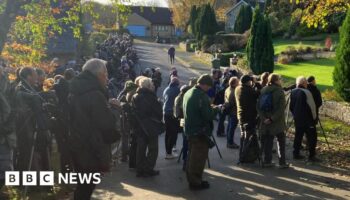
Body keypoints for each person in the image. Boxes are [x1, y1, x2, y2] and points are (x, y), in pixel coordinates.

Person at [69, 59, 120, 200]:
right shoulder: (95, 94)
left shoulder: (75, 88)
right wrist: (115, 108)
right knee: (87, 186)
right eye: (106, 74)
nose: (107, 78)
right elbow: (106, 123)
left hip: (76, 142)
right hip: (91, 147)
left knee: (83, 185)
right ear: (98, 75)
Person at [183, 74, 219, 190]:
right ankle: (195, 182)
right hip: (199, 132)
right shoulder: (201, 96)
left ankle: (193, 179)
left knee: (191, 156)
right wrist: (216, 109)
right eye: (208, 86)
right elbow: (207, 115)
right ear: (203, 84)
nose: (209, 89)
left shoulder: (189, 92)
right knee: (198, 158)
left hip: (190, 129)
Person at [15, 67, 50, 172]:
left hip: (31, 125)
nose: (37, 77)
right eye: (34, 75)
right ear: (28, 76)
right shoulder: (22, 87)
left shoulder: (30, 86)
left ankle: (36, 182)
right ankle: (28, 183)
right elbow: (26, 100)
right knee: (27, 154)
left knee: (34, 154)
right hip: (27, 126)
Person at [131, 77, 163, 177]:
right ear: (149, 86)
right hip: (151, 126)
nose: (153, 86)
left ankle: (139, 169)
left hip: (139, 126)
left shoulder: (135, 96)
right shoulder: (151, 97)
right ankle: (148, 168)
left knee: (141, 148)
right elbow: (158, 113)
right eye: (152, 85)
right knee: (153, 149)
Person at [257, 73, 289, 168]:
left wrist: (264, 119)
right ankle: (282, 162)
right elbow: (281, 108)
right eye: (279, 79)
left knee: (268, 141)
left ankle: (268, 161)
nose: (280, 81)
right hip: (277, 121)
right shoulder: (279, 91)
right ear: (276, 80)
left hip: (265, 120)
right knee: (281, 141)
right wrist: (272, 119)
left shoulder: (263, 90)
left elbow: (258, 107)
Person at [290, 76, 319, 162]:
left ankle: (296, 153)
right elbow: (312, 107)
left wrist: (295, 115)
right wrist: (314, 118)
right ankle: (311, 155)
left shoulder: (293, 91)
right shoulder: (307, 92)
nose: (307, 84)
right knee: (312, 137)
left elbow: (291, 106)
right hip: (308, 120)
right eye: (306, 83)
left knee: (298, 136)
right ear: (303, 83)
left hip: (297, 119)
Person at [235, 75, 259, 161]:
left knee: (243, 136)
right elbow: (258, 93)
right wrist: (256, 83)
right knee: (247, 137)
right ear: (248, 81)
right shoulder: (248, 90)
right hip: (249, 117)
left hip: (240, 115)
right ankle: (243, 156)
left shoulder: (238, 88)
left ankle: (242, 154)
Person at [0, 67, 16, 189]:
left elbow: (10, 110)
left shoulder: (8, 88)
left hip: (5, 133)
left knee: (5, 164)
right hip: (4, 132)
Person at [163, 77, 180, 159]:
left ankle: (167, 152)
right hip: (173, 113)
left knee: (167, 133)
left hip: (165, 112)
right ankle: (170, 151)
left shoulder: (166, 89)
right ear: (177, 83)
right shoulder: (177, 90)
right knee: (173, 133)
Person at [224, 77, 239, 149]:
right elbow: (233, 103)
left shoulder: (227, 89)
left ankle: (229, 141)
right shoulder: (233, 92)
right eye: (237, 82)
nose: (238, 83)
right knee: (232, 128)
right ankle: (230, 142)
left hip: (230, 111)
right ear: (234, 83)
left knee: (229, 127)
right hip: (234, 112)